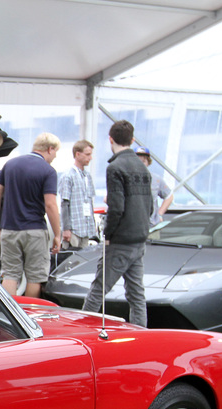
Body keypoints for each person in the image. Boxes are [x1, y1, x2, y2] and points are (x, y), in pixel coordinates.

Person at [82, 120, 152, 327]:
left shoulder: (115, 168)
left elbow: (117, 207)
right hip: (139, 240)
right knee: (137, 295)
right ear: (132, 140)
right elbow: (150, 206)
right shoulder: (143, 167)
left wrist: (108, 234)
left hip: (120, 241)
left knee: (98, 290)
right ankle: (141, 335)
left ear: (110, 139)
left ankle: (77, 333)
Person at [0, 132, 61, 298]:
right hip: (35, 230)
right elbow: (50, 204)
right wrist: (57, 234)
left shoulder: (10, 165)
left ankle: (9, 318)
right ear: (50, 149)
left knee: (10, 274)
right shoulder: (48, 171)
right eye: (55, 152)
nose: (55, 156)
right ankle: (28, 317)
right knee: (35, 277)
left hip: (9, 229)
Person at [58, 140, 97, 248]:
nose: (90, 158)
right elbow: (64, 203)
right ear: (77, 154)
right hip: (74, 229)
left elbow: (90, 202)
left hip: (86, 228)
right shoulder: (68, 176)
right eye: (87, 154)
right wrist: (66, 228)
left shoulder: (87, 176)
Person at [136, 146, 172, 225]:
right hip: (133, 225)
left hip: (152, 225)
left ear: (148, 163)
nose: (141, 165)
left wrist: (159, 214)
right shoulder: (126, 179)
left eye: (143, 161)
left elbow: (169, 196)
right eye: (137, 161)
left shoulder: (156, 179)